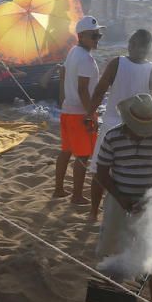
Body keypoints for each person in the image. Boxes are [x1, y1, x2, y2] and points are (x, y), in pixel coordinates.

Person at [95, 93, 152, 302]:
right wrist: (121, 198)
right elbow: (101, 172)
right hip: (118, 200)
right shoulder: (113, 136)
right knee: (113, 251)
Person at [85, 29, 152, 220]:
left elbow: (100, 91)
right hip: (142, 125)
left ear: (130, 45)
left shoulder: (117, 63)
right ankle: (130, 211)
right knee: (135, 170)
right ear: (149, 49)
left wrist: (89, 113)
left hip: (112, 125)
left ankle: (93, 213)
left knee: (100, 170)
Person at [54, 16, 103, 205]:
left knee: (66, 151)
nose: (97, 39)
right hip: (80, 113)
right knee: (82, 155)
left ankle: (59, 189)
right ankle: (76, 195)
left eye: (99, 35)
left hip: (68, 109)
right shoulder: (86, 59)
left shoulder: (73, 51)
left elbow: (63, 73)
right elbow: (83, 89)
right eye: (94, 36)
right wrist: (90, 114)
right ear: (81, 36)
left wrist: (62, 98)